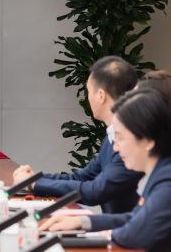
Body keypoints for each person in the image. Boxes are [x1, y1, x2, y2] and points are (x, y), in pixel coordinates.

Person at [40, 88, 171, 252]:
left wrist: (110, 234)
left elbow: (137, 233)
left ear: (148, 140)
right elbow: (135, 218)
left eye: (120, 137)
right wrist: (82, 222)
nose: (115, 147)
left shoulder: (167, 179)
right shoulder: (159, 172)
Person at [12, 56, 142, 213]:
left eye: (89, 91)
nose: (88, 98)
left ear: (101, 95)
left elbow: (95, 191)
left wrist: (34, 184)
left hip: (124, 227)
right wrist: (35, 179)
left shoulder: (131, 141)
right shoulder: (111, 137)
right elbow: (83, 177)